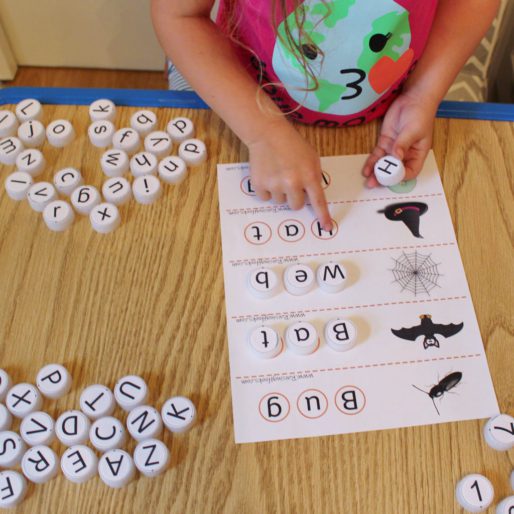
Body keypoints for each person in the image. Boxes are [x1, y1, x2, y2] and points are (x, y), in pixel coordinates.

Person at [151, 0, 499, 230]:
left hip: (405, 92)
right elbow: (179, 16)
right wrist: (264, 132)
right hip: (242, 96)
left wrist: (423, 95)